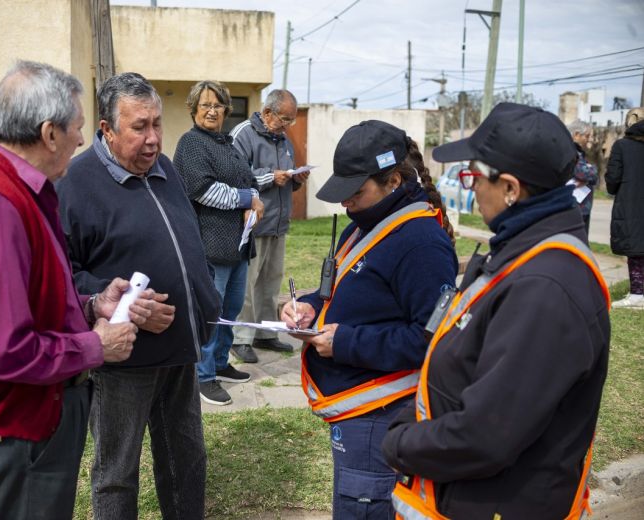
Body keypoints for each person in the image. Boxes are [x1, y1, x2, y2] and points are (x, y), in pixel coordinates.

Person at [0, 60, 142, 519]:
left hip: (41, 415)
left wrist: (90, 307)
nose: (82, 141)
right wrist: (95, 347)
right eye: (77, 128)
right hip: (27, 423)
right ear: (50, 133)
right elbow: (1, 350)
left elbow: (29, 300)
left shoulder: (24, 190)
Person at [382, 103, 612, 519]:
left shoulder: (545, 288)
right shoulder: (521, 252)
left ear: (510, 187)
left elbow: (486, 435)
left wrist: (397, 443)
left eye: (472, 176)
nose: (470, 189)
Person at [56, 72, 221, 519]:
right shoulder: (75, 183)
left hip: (180, 351)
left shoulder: (163, 167)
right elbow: (62, 276)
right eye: (139, 127)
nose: (152, 139)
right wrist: (112, 298)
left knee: (186, 461)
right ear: (107, 130)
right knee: (117, 472)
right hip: (124, 361)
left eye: (156, 125)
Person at [281, 120, 457, 519]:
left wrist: (345, 342)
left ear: (393, 180)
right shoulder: (366, 224)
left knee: (364, 508)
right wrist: (308, 305)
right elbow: (350, 290)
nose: (346, 204)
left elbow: (432, 340)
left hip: (382, 414)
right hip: (357, 412)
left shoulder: (421, 244)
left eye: (356, 193)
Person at [173, 80, 265, 406]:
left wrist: (252, 195)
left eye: (218, 105)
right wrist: (247, 198)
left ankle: (221, 362)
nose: (212, 111)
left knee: (231, 309)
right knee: (210, 312)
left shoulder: (227, 143)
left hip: (237, 244)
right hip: (210, 243)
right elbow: (204, 190)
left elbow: (250, 180)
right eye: (205, 105)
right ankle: (203, 375)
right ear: (194, 110)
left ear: (226, 109)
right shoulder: (192, 144)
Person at [229, 89, 309, 363]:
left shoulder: (284, 140)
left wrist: (298, 177)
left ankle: (265, 333)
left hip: (277, 223)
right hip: (253, 223)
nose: (288, 125)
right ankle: (240, 338)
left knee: (270, 282)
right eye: (284, 119)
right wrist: (268, 177)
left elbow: (285, 177)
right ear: (267, 113)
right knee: (248, 285)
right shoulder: (243, 134)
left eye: (291, 120)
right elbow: (234, 175)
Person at [606, 107, 644, 309]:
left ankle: (638, 293)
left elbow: (612, 180)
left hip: (630, 204)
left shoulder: (622, 146)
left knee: (635, 249)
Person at [567, 119, 598, 236]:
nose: (588, 139)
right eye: (586, 136)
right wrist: (593, 169)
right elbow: (584, 173)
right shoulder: (572, 152)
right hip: (577, 207)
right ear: (576, 135)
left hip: (581, 206)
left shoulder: (576, 152)